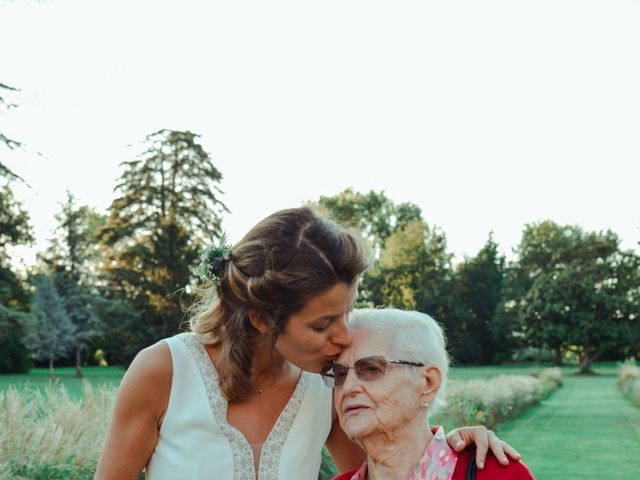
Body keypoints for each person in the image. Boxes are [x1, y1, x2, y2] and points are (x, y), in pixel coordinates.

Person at [95, 207, 520, 480]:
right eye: (322, 324)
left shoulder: (328, 385)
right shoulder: (163, 371)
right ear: (262, 318)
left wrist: (455, 446)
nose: (343, 337)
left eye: (346, 313)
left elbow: (388, 467)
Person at [327, 308, 534, 480]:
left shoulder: (498, 475)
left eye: (371, 368)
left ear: (428, 383)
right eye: (340, 374)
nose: (347, 387)